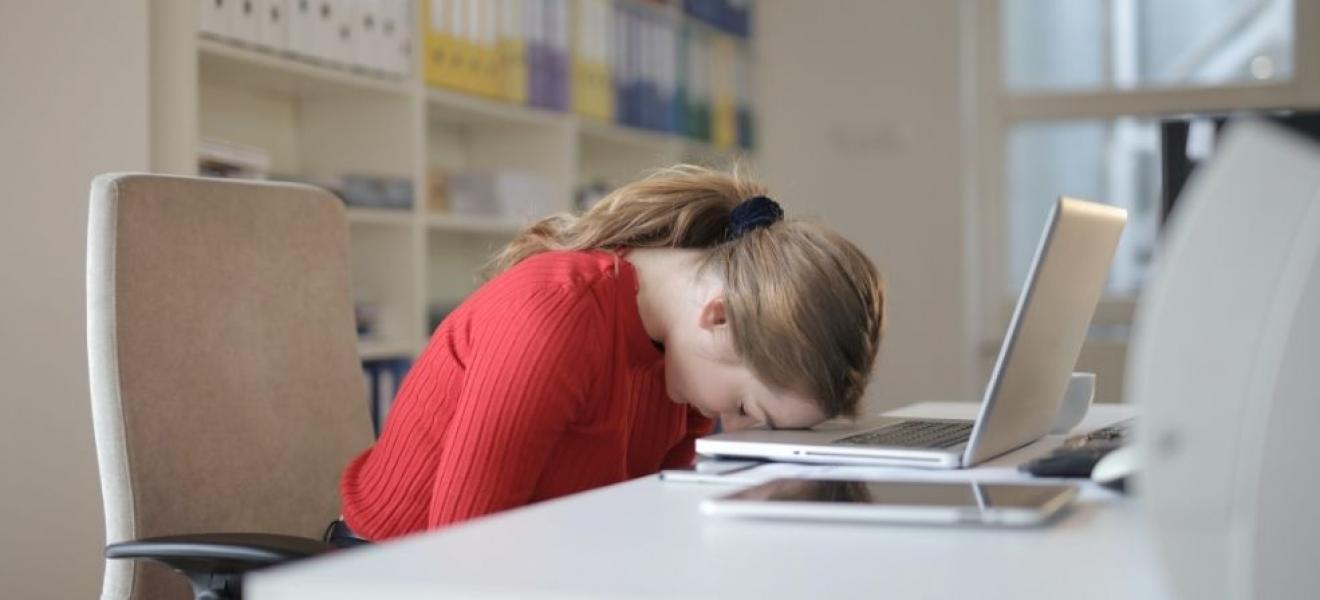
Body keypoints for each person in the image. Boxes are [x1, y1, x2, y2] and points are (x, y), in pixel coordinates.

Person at [336, 165, 885, 541]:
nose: (734, 431)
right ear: (719, 317)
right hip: (393, 571)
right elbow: (463, 554)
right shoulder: (554, 315)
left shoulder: (684, 360)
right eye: (746, 410)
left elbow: (651, 524)